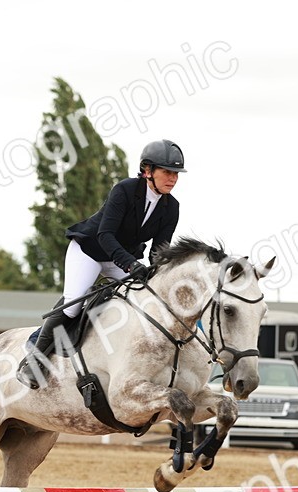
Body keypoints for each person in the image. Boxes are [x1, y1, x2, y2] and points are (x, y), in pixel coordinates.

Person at [16, 139, 185, 389]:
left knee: (143, 302)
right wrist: (131, 265)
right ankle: (35, 358)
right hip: (89, 250)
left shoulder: (172, 207)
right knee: (73, 303)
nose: (172, 178)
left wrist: (159, 274)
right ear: (147, 170)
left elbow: (160, 249)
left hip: (120, 257)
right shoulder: (125, 190)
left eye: (176, 173)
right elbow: (105, 235)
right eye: (167, 171)